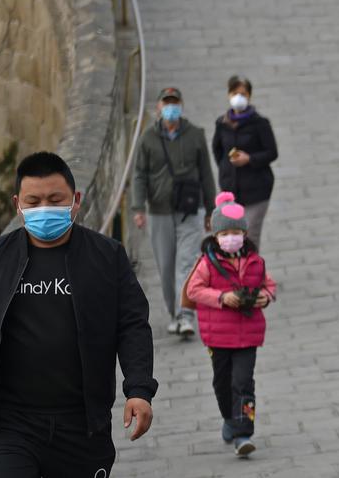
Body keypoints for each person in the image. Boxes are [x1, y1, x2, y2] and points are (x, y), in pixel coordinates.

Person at [0, 152, 157, 476]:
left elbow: (132, 325)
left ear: (76, 200)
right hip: (11, 425)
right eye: (34, 201)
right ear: (18, 204)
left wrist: (139, 389)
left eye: (55, 199)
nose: (44, 209)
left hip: (82, 426)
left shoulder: (107, 256)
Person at [185, 192, 276, 457]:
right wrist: (223, 298)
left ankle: (243, 432)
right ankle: (228, 417)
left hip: (248, 335)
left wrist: (265, 296)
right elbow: (194, 290)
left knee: (243, 382)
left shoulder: (255, 262)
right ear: (216, 236)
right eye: (225, 234)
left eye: (236, 232)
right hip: (218, 337)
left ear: (245, 234)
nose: (231, 238)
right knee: (222, 382)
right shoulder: (206, 264)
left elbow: (269, 284)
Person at [131, 86, 217, 339]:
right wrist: (138, 207)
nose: (170, 107)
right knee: (166, 266)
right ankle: (175, 313)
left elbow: (206, 174)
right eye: (166, 102)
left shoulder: (195, 135)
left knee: (187, 263)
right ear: (158, 107)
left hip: (190, 209)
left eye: (174, 102)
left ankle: (186, 314)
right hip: (159, 210)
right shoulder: (147, 139)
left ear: (181, 105)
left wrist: (211, 209)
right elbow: (139, 175)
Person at [212, 76, 279, 246]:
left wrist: (249, 159)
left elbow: (272, 152)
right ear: (229, 94)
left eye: (243, 93)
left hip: (257, 191)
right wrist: (226, 169)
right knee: (231, 238)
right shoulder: (222, 123)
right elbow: (217, 150)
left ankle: (251, 271)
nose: (239, 97)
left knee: (249, 237)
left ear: (249, 96)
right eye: (235, 93)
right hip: (231, 191)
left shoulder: (260, 123)